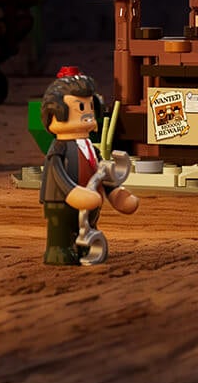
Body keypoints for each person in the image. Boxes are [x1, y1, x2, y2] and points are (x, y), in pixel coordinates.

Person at [39, 68, 138, 266]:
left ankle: (84, 246)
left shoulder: (91, 148)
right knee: (62, 231)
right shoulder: (59, 148)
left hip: (90, 204)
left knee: (86, 225)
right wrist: (73, 193)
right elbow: (56, 173)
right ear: (57, 111)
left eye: (89, 107)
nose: (87, 114)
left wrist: (115, 192)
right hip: (62, 203)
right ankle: (59, 249)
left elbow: (101, 171)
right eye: (80, 108)